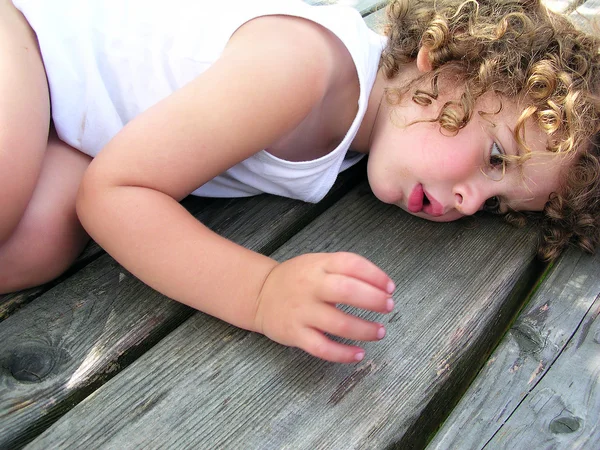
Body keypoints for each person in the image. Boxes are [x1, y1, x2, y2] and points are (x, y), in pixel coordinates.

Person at [1, 0, 598, 362]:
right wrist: (261, 294)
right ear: (448, 64)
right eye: (495, 157)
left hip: (76, 122)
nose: (470, 201)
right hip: (29, 37)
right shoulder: (303, 69)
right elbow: (118, 194)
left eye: (497, 202)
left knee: (36, 247)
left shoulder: (355, 137)